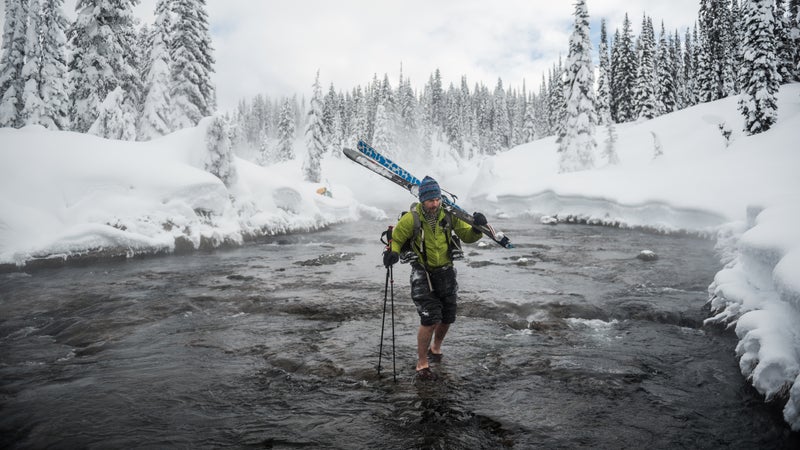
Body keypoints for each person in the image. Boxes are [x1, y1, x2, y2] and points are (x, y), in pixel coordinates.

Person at [383, 176, 487, 380]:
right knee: (429, 319)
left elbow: (468, 236)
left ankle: (435, 348)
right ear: (422, 200)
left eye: (438, 199)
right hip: (422, 273)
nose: (435, 203)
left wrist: (477, 229)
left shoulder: (450, 216)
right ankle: (422, 362)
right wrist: (392, 253)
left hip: (447, 271)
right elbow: (397, 240)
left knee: (448, 316)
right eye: (431, 200)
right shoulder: (411, 219)